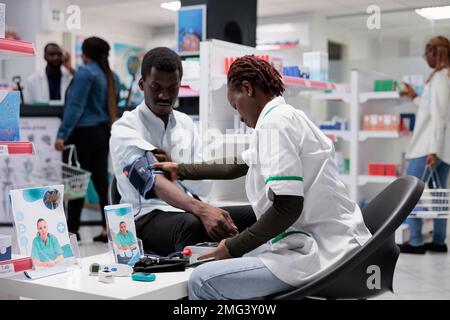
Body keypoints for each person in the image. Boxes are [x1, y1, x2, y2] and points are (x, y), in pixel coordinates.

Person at [152, 55, 372, 300]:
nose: (239, 117)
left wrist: (233, 247)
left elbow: (288, 207)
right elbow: (237, 165)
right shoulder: (281, 117)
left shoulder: (275, 124)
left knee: (203, 280)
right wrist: (180, 169)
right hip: (322, 242)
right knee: (236, 263)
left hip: (325, 251)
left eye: (235, 106)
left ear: (247, 88)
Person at [109, 47, 256, 257]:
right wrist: (203, 209)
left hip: (185, 210)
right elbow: (154, 182)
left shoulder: (186, 124)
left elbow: (205, 185)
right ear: (142, 84)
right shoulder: (126, 127)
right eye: (156, 87)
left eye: (172, 88)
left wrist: (177, 167)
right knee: (192, 226)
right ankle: (197, 287)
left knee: (256, 214)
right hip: (144, 217)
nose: (164, 95)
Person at [54, 37, 120, 242]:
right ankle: (107, 229)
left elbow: (76, 106)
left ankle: (72, 231)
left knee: (75, 183)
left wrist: (62, 134)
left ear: (85, 53)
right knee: (101, 183)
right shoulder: (111, 76)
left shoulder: (86, 73)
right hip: (102, 134)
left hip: (82, 135)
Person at [400, 36, 450, 254]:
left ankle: (417, 241)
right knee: (439, 195)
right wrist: (415, 97)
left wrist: (433, 150)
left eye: (427, 54)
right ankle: (439, 242)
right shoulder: (445, 78)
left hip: (428, 149)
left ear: (435, 53)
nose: (425, 58)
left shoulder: (440, 78)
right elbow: (432, 111)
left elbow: (440, 117)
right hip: (443, 150)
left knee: (410, 192)